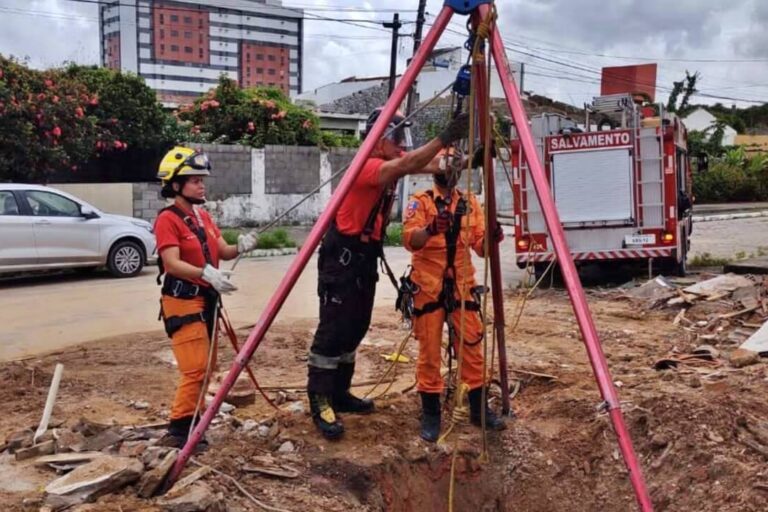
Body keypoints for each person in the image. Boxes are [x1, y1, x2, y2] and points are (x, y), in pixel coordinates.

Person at [307, 109, 471, 440]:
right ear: (379, 139)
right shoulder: (368, 165)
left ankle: (341, 393)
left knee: (356, 325)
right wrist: (444, 136)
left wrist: (468, 158)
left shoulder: (390, 163)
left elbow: (434, 165)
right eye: (397, 139)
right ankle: (320, 399)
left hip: (365, 257)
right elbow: (408, 164)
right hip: (342, 257)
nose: (402, 146)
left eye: (404, 139)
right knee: (334, 329)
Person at [154, 146, 259, 448]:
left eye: (202, 179)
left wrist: (241, 246)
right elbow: (171, 263)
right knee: (195, 367)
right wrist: (205, 273)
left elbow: (222, 251)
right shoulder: (168, 220)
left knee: (208, 367)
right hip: (183, 301)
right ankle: (178, 430)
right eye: (194, 180)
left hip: (207, 300)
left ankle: (195, 420)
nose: (202, 184)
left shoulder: (202, 218)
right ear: (176, 185)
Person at [402, 150, 506, 442]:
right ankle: (432, 414)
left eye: (452, 168)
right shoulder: (420, 202)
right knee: (430, 351)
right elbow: (410, 240)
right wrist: (432, 228)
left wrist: (492, 239)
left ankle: (478, 408)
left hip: (462, 285)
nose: (448, 173)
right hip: (428, 286)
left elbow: (480, 249)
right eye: (443, 166)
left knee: (472, 346)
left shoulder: (470, 202)